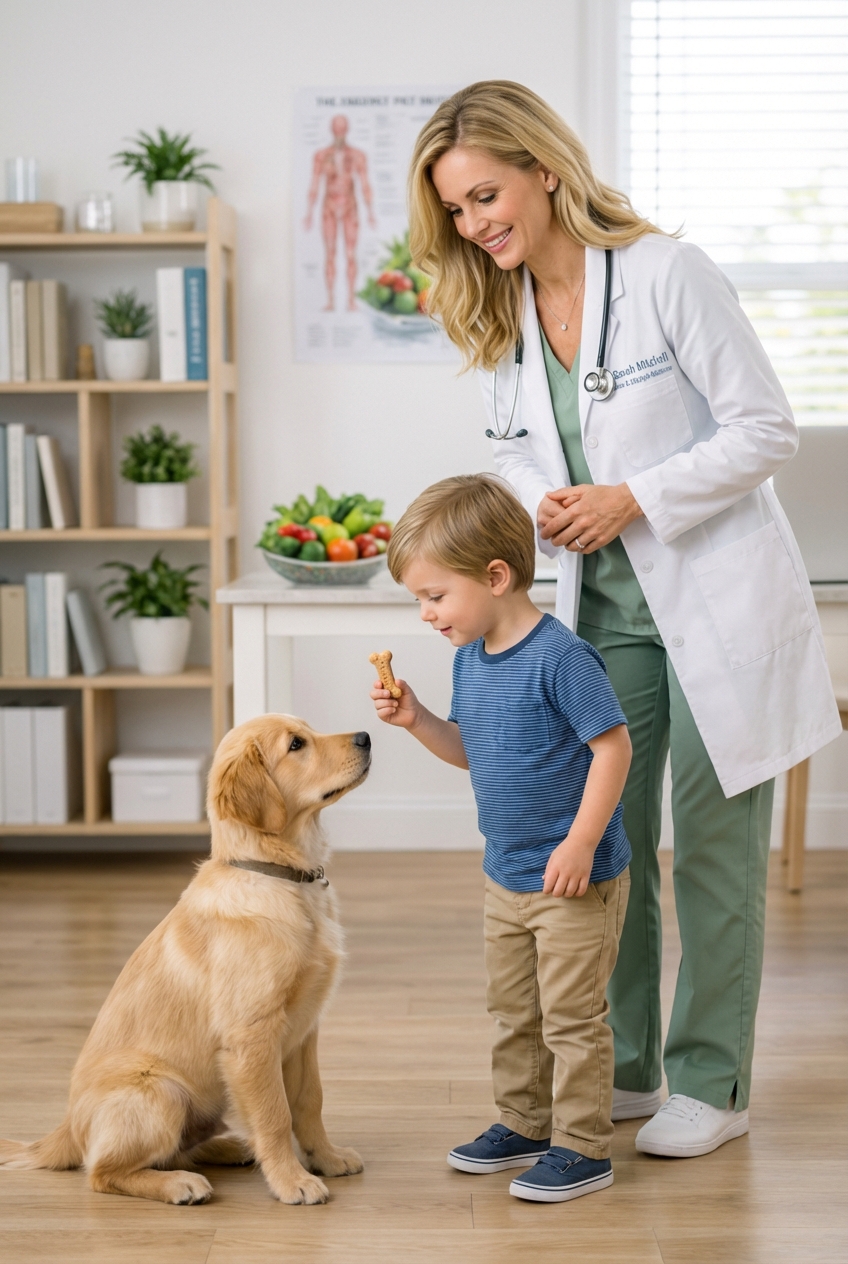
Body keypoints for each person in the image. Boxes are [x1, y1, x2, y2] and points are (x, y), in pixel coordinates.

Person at [406, 81, 841, 1158]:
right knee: (608, 850)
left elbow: (763, 426)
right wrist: (530, 509)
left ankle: (713, 1079)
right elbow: (518, 446)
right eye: (456, 211)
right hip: (598, 611)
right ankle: (629, 1064)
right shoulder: (501, 310)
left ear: (543, 169)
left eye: (486, 195)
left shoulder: (663, 274)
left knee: (707, 847)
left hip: (715, 601)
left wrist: (632, 496)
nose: (474, 225)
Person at [371, 474, 633, 1203]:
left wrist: (581, 842)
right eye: (420, 600)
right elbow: (471, 751)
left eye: (434, 595)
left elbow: (614, 748)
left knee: (572, 1017)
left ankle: (584, 1146)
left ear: (496, 576)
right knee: (515, 1010)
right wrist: (419, 719)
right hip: (506, 876)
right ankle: (524, 1121)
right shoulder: (469, 659)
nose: (426, 614)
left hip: (573, 880)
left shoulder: (562, 657)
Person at [303, 114, 376, 311]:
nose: (339, 132)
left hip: (350, 207)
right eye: (337, 128)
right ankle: (331, 301)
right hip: (329, 207)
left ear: (347, 129)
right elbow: (314, 185)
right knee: (330, 254)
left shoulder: (358, 155)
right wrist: (309, 213)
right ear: (332, 129)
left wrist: (370, 212)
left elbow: (365, 184)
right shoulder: (321, 155)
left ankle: (350, 300)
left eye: (342, 128)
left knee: (351, 254)